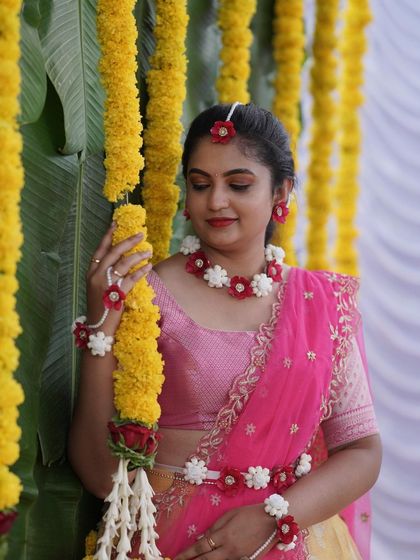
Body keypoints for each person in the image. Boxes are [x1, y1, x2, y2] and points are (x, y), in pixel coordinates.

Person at [68, 103, 382, 560]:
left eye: (238, 184)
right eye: (200, 184)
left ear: (282, 192)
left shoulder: (320, 305)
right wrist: (101, 329)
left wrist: (272, 518)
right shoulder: (147, 294)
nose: (215, 201)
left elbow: (361, 450)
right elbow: (99, 475)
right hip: (170, 544)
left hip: (288, 541)